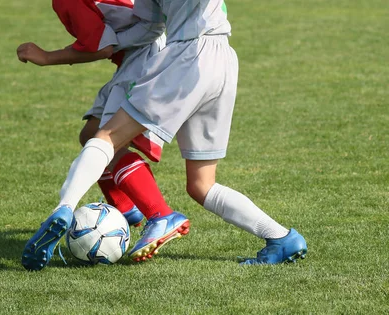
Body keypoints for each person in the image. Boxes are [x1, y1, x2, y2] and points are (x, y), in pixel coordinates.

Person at [20, 0, 308, 270]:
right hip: (223, 60)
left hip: (189, 57)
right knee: (201, 185)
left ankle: (66, 208)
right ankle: (281, 238)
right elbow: (149, 26)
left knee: (106, 137)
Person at [17, 0, 190, 271]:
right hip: (147, 53)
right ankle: (126, 209)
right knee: (90, 136)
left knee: (108, 142)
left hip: (146, 61)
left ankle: (161, 215)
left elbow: (100, 46)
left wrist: (47, 57)